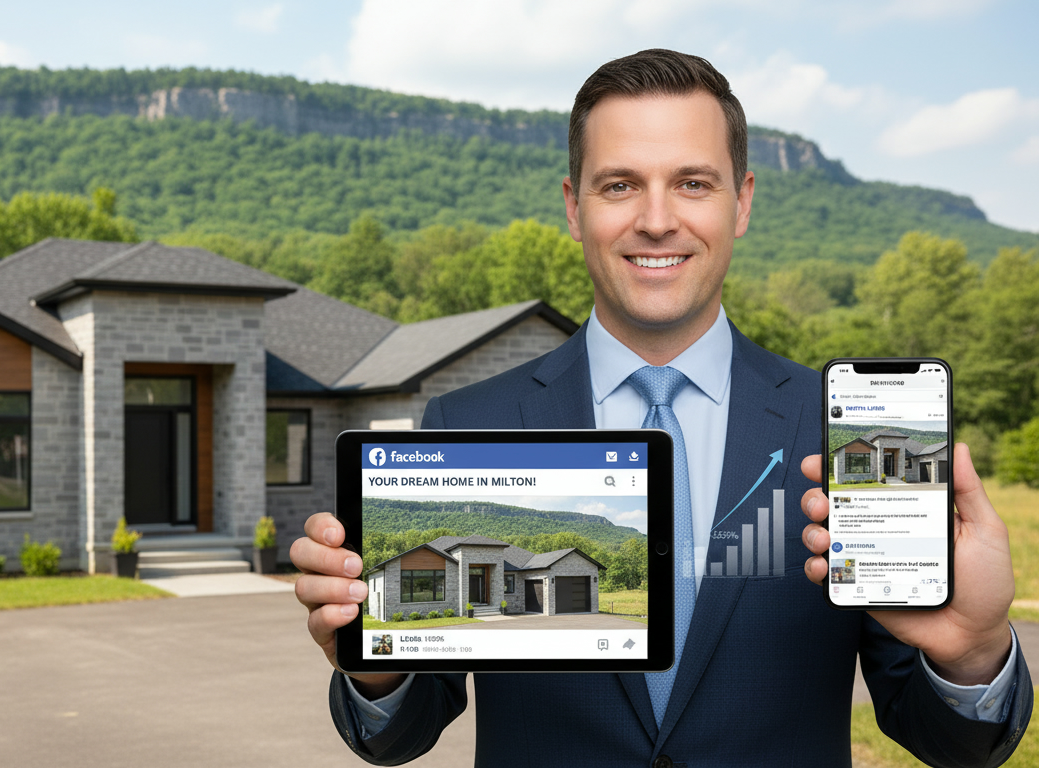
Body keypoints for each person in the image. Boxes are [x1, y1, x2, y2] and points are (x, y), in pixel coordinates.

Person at [292, 49, 1032, 766]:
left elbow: (953, 745)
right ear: (573, 207)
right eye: (618, 185)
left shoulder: (848, 433)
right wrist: (373, 668)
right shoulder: (467, 424)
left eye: (692, 183)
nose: (655, 219)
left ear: (741, 203)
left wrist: (973, 651)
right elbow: (399, 733)